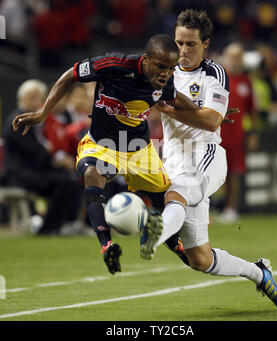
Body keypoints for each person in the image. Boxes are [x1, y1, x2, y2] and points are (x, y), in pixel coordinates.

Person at [12, 34, 219, 274]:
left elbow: (176, 98)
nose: (166, 73)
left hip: (139, 150)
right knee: (92, 175)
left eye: (171, 68)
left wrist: (206, 113)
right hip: (103, 144)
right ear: (146, 59)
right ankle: (107, 245)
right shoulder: (114, 65)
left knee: (167, 203)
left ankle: (178, 247)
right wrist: (41, 113)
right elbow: (70, 75)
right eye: (161, 66)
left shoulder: (165, 81)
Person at [150, 9, 277, 310]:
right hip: (173, 161)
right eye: (179, 43)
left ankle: (155, 236)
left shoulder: (214, 73)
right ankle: (260, 273)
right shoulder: (161, 71)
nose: (182, 51)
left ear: (205, 44)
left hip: (206, 155)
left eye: (190, 44)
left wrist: (174, 111)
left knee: (176, 195)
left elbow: (211, 121)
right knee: (200, 259)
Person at [3, 79, 83, 235]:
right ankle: (48, 228)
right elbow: (33, 150)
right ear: (21, 99)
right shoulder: (18, 120)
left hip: (36, 171)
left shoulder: (40, 122)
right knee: (64, 182)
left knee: (71, 180)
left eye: (40, 98)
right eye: (32, 97)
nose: (37, 102)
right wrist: (56, 161)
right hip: (20, 174)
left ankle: (65, 224)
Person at [218, 43, 258, 223]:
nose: (235, 60)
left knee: (233, 173)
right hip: (215, 133)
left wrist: (253, 133)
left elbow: (252, 110)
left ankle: (230, 209)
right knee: (213, 172)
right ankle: (209, 209)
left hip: (236, 136)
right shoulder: (217, 79)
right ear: (225, 58)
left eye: (238, 57)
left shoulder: (246, 81)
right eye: (232, 56)